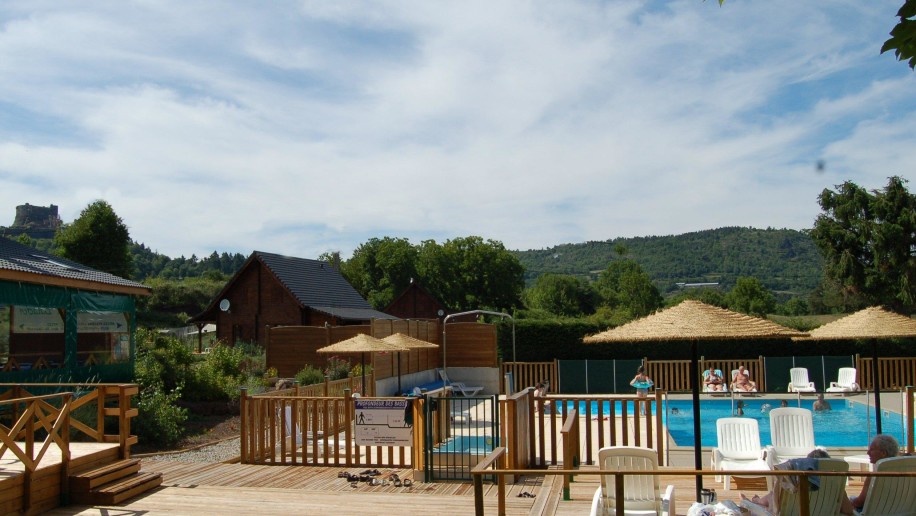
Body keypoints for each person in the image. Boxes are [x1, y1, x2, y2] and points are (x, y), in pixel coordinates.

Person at [740, 448, 832, 510]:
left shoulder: (796, 485)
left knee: (772, 497)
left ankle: (754, 503)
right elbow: (847, 509)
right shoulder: (834, 487)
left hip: (788, 511)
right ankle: (757, 502)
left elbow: (776, 509)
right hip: (819, 510)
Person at [846, 434, 900, 513]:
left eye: (871, 449)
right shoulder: (904, 473)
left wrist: (849, 501)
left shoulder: (874, 476)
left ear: (883, 453)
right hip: (898, 511)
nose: (868, 452)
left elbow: (859, 503)